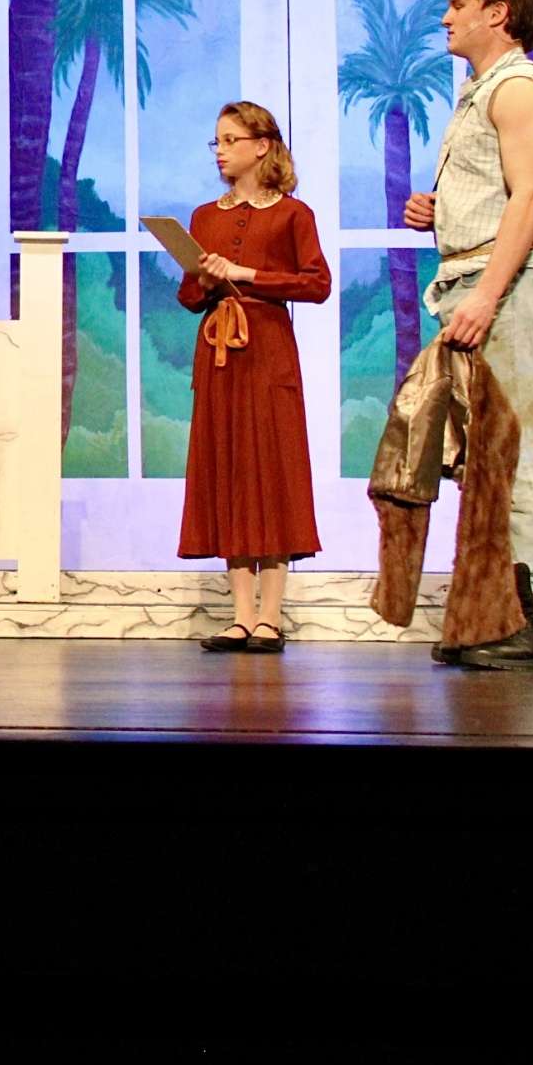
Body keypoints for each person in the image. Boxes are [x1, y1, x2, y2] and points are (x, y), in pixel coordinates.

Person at [402, 0, 533, 670]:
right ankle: (500, 610)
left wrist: (486, 293)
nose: (446, 18)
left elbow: (530, 198)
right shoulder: (482, 94)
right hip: (476, 276)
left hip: (509, 284)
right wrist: (438, 212)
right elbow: (498, 190)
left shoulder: (521, 89)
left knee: (522, 444)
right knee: (488, 458)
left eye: (457, 5)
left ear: (498, 13)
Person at [178, 100, 331, 654]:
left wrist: (246, 273)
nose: (219, 151)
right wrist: (203, 275)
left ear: (261, 145)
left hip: (268, 354)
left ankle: (272, 614)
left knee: (272, 470)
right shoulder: (204, 217)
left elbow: (316, 284)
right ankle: (240, 614)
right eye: (215, 142)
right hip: (219, 354)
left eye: (229, 140)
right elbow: (189, 297)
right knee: (229, 469)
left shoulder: (293, 214)